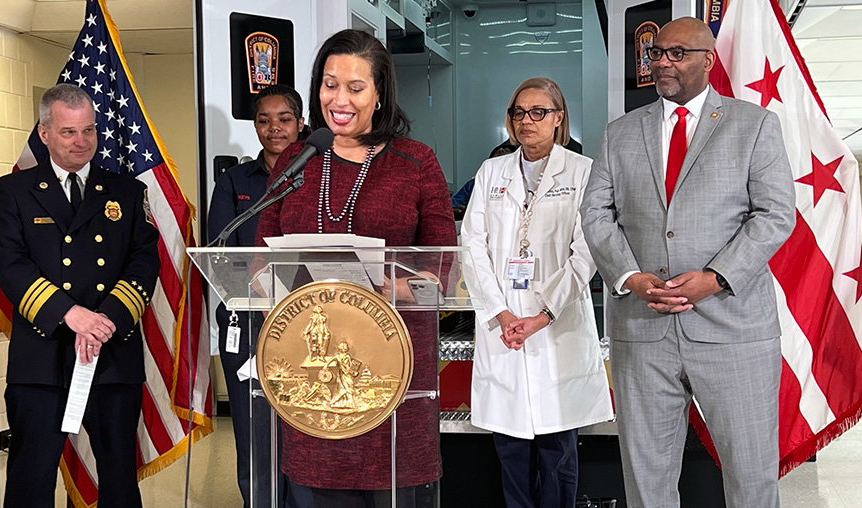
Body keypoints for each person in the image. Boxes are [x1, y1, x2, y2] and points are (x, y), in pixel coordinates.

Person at [579, 18, 796, 508]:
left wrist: (716, 278)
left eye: (677, 53)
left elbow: (776, 214)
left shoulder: (754, 124)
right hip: (643, 330)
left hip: (733, 331)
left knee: (751, 475)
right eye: (657, 53)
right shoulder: (620, 133)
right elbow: (595, 213)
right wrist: (631, 276)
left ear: (708, 60)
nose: (662, 62)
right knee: (647, 479)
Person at [254, 29, 456, 507]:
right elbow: (260, 262)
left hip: (392, 386)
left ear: (380, 92)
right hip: (312, 386)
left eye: (355, 87)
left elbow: (442, 275)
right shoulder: (297, 159)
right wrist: (272, 283)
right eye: (329, 84)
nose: (338, 99)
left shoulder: (416, 163)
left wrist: (384, 289)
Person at [0, 83, 159, 507]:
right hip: (42, 357)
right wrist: (71, 315)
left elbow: (143, 262)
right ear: (44, 133)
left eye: (88, 130)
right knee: (31, 476)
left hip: (110, 353)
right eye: (68, 132)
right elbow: (11, 265)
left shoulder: (126, 190)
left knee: (119, 478)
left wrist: (104, 322)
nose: (81, 141)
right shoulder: (15, 191)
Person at [461, 77, 613, 508]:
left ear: (559, 117)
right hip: (503, 326)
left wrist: (543, 313)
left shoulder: (583, 171)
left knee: (557, 450)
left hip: (556, 325)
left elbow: (587, 252)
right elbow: (472, 246)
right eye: (518, 112)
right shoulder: (492, 171)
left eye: (538, 112)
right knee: (509, 452)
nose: (527, 121)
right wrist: (502, 313)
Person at [206, 83, 307, 508]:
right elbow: (219, 250)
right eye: (264, 120)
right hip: (247, 321)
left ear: (301, 123)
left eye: (284, 119)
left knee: (304, 427)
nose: (274, 129)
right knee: (252, 429)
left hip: (308, 322)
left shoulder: (321, 174)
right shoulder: (234, 181)